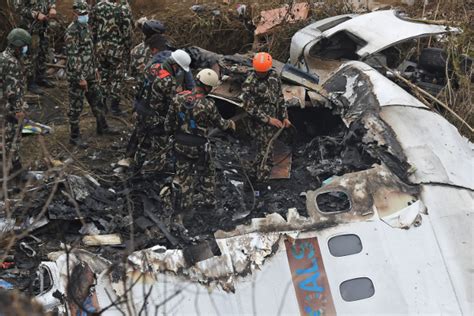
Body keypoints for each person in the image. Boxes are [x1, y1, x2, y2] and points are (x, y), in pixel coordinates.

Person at [164, 68, 235, 213]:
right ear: (208, 87)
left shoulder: (178, 98)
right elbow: (221, 124)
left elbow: (168, 125)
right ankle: (208, 201)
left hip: (179, 144)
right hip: (199, 147)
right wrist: (231, 125)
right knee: (207, 172)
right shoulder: (208, 105)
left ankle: (184, 205)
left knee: (184, 175)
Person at [65, 1, 118, 148]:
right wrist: (80, 77)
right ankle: (74, 136)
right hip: (78, 77)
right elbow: (72, 56)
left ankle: (103, 127)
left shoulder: (86, 28)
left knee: (97, 100)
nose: (84, 16)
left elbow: (90, 51)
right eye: (81, 14)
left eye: (86, 13)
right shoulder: (71, 32)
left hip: (90, 73)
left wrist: (95, 69)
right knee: (76, 107)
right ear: (74, 14)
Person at [131, 47, 192, 171]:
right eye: (179, 69)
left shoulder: (152, 68)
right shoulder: (168, 81)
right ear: (174, 65)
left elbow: (139, 87)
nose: (179, 71)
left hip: (141, 112)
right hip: (155, 119)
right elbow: (173, 102)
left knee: (143, 144)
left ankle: (135, 171)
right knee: (161, 149)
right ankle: (157, 173)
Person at [240, 52, 292, 182]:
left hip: (274, 121)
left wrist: (284, 116)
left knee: (266, 149)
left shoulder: (274, 76)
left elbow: (279, 97)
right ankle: (262, 180)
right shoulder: (249, 83)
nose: (261, 74)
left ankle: (255, 172)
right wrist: (268, 119)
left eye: (264, 72)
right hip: (259, 124)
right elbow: (248, 107)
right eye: (259, 72)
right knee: (265, 151)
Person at [91, 0, 133, 115]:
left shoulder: (98, 6)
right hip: (117, 50)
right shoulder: (123, 9)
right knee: (116, 78)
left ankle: (102, 105)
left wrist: (96, 43)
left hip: (100, 49)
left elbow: (92, 27)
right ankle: (114, 107)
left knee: (102, 77)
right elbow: (127, 32)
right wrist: (128, 47)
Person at [0, 28, 31, 177]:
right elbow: (13, 90)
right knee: (12, 137)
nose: (26, 49)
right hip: (7, 108)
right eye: (24, 46)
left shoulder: (3, 57)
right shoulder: (11, 63)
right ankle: (16, 170)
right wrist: (19, 109)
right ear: (18, 46)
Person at [14, 0, 57, 94]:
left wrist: (52, 7)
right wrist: (35, 14)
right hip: (30, 28)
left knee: (43, 52)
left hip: (43, 26)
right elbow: (18, 8)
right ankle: (30, 82)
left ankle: (40, 77)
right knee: (30, 55)